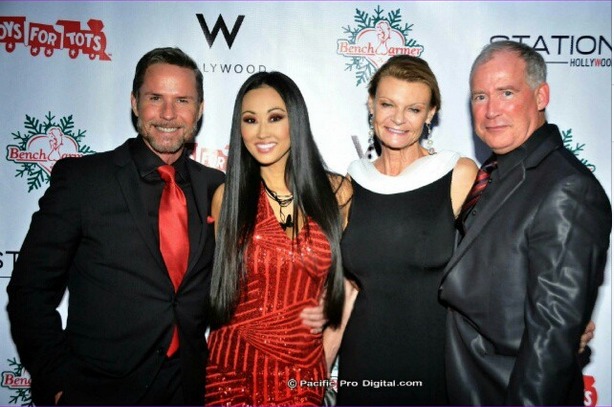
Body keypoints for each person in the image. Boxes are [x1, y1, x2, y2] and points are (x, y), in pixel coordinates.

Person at [5, 47, 225, 405]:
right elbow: (29, 291)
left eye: (182, 100)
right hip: (98, 393)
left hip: (189, 391)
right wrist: (59, 383)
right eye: (155, 98)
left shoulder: (217, 188)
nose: (168, 114)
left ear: (199, 111)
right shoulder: (83, 181)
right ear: (135, 103)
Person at [439, 40, 611, 405]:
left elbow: (551, 338)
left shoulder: (568, 187)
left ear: (541, 95)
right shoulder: (497, 173)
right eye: (480, 97)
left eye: (506, 92)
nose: (491, 111)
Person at [323, 55, 479, 406]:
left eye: (413, 108)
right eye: (387, 104)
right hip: (362, 364)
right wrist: (317, 372)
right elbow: (344, 289)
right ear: (370, 105)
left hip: (431, 363)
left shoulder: (457, 174)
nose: (397, 119)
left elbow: (497, 264)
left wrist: (542, 320)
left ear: (431, 113)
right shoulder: (350, 183)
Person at [204, 71, 351, 406]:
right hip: (230, 374)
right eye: (250, 120)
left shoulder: (338, 193)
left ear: (294, 121)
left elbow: (348, 288)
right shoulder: (227, 198)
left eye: (275, 117)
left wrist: (324, 358)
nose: (262, 132)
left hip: (301, 377)